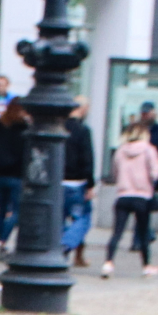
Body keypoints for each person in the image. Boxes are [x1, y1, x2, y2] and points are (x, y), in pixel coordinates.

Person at [103, 115, 158, 279]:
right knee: (143, 232)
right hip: (142, 196)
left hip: (123, 195)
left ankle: (108, 263)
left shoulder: (120, 150)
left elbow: (115, 173)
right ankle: (146, 266)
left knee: (117, 232)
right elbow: (155, 173)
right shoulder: (149, 150)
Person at [0, 101, 30, 252]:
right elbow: (26, 152)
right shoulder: (24, 128)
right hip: (16, 174)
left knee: (2, 209)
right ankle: (3, 240)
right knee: (17, 210)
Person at [61, 101, 96, 269]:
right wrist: (90, 184)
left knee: (58, 218)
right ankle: (66, 245)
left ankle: (61, 249)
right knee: (82, 218)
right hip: (77, 182)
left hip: (58, 182)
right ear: (82, 109)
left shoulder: (58, 127)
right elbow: (87, 158)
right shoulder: (83, 131)